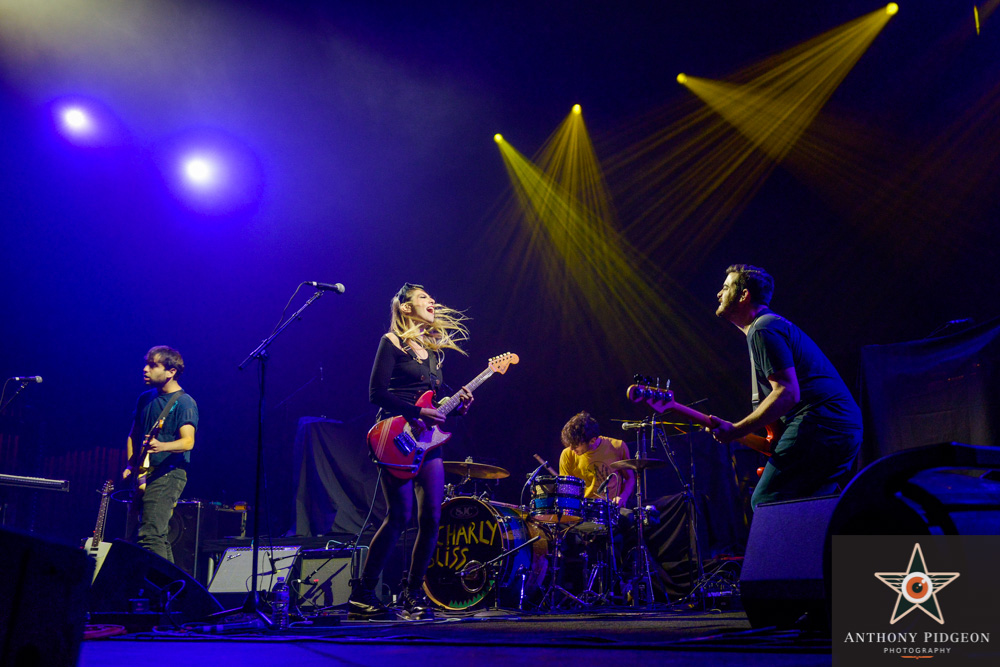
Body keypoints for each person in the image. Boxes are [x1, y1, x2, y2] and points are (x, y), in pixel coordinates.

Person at [349, 283, 473, 620]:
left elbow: (435, 407)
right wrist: (416, 412)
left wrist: (458, 409)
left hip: (427, 442)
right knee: (400, 515)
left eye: (431, 297)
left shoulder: (432, 353)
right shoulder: (390, 342)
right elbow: (376, 393)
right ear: (405, 307)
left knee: (431, 517)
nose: (432, 300)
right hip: (395, 436)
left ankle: (413, 594)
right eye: (423, 297)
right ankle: (362, 594)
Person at [708, 264, 862, 510]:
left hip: (822, 424)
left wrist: (736, 429)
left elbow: (787, 393)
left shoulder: (763, 328)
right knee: (810, 509)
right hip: (840, 428)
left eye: (726, 287)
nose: (719, 293)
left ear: (744, 295)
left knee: (767, 503)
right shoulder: (767, 327)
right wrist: (738, 434)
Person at [122, 345, 198, 562]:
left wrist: (162, 446)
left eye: (153, 365)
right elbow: (133, 435)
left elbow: (188, 441)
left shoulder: (184, 402)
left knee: (150, 535)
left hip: (168, 474)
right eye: (146, 364)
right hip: (143, 474)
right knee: (151, 536)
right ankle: (171, 582)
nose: (145, 369)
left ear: (171, 371)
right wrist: (130, 465)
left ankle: (161, 581)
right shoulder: (145, 398)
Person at [559, 411, 635, 507]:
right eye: (570, 444)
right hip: (583, 509)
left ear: (592, 440)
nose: (571, 449)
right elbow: (566, 489)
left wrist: (623, 497)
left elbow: (630, 478)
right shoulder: (567, 454)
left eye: (576, 445)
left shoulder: (617, 447)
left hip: (611, 508)